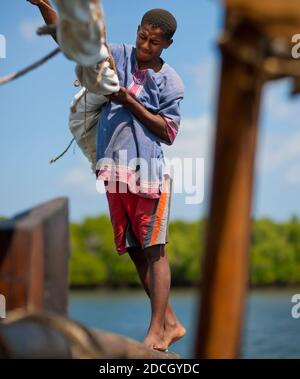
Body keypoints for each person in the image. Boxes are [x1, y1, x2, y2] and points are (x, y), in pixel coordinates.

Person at [27, 0, 186, 352]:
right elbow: (74, 42)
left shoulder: (171, 81)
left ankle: (158, 329)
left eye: (154, 43)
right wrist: (42, 4)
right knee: (134, 250)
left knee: (155, 250)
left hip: (147, 174)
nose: (145, 46)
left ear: (167, 45)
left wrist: (129, 101)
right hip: (113, 171)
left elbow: (169, 132)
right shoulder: (118, 54)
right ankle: (170, 322)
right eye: (142, 37)